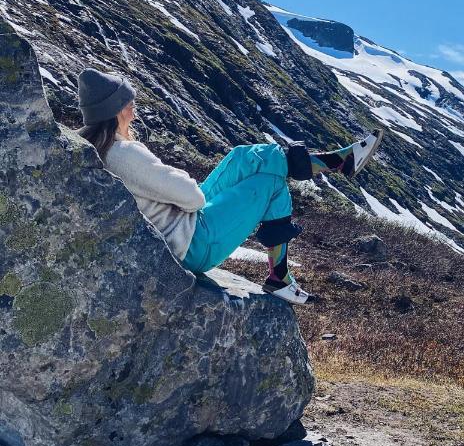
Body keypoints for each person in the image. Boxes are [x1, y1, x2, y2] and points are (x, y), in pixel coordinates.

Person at [75, 67, 383, 304]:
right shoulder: (125, 154)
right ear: (116, 110)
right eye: (128, 102)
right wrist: (180, 180)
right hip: (192, 244)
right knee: (269, 186)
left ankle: (337, 162)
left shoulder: (92, 150)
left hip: (183, 230)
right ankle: (279, 275)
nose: (134, 107)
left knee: (240, 157)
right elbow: (193, 198)